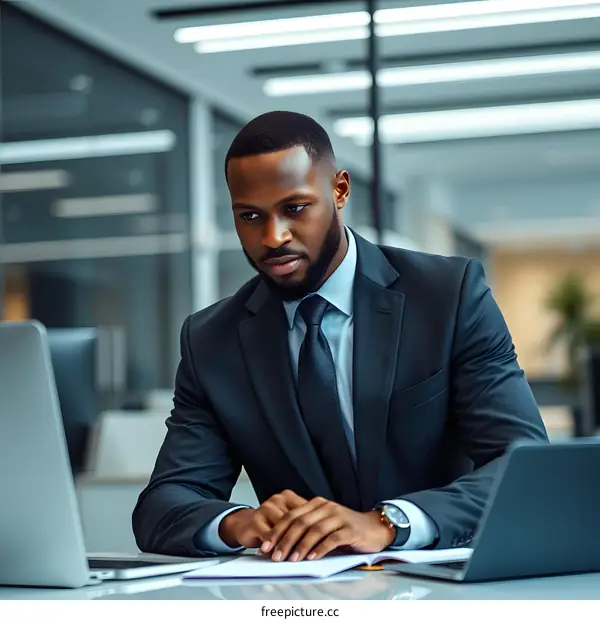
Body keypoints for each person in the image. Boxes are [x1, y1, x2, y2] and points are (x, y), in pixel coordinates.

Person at [132, 110, 548, 562]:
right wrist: (239, 522)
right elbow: (163, 504)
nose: (273, 237)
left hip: (441, 586)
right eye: (250, 216)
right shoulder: (212, 339)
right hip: (300, 598)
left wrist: (389, 522)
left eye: (295, 208)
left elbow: (523, 466)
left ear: (339, 190)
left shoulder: (448, 297)